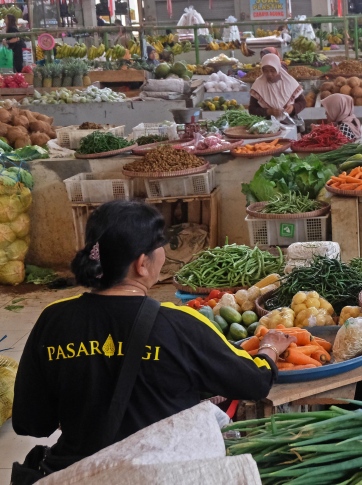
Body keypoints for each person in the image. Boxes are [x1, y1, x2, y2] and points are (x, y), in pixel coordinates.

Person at [11, 201, 296, 474]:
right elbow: (255, 381)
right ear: (142, 264)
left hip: (78, 474)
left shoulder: (53, 319)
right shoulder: (180, 323)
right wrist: (270, 346)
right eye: (160, 243)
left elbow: (31, 424)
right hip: (161, 475)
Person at [249, 53, 306, 121]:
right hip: (267, 125)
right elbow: (252, 109)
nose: (269, 74)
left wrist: (293, 108)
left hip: (290, 122)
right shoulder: (258, 85)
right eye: (266, 71)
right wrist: (267, 112)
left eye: (272, 71)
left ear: (278, 69)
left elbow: (302, 102)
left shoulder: (289, 82)